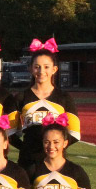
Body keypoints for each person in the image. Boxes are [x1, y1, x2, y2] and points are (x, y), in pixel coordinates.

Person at [10, 38, 80, 168]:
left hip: (55, 163)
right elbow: (10, 133)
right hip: (28, 162)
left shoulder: (64, 97)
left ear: (54, 69)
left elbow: (74, 133)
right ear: (31, 69)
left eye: (46, 67)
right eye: (37, 67)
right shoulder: (20, 97)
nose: (41, 71)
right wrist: (26, 148)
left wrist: (55, 148)